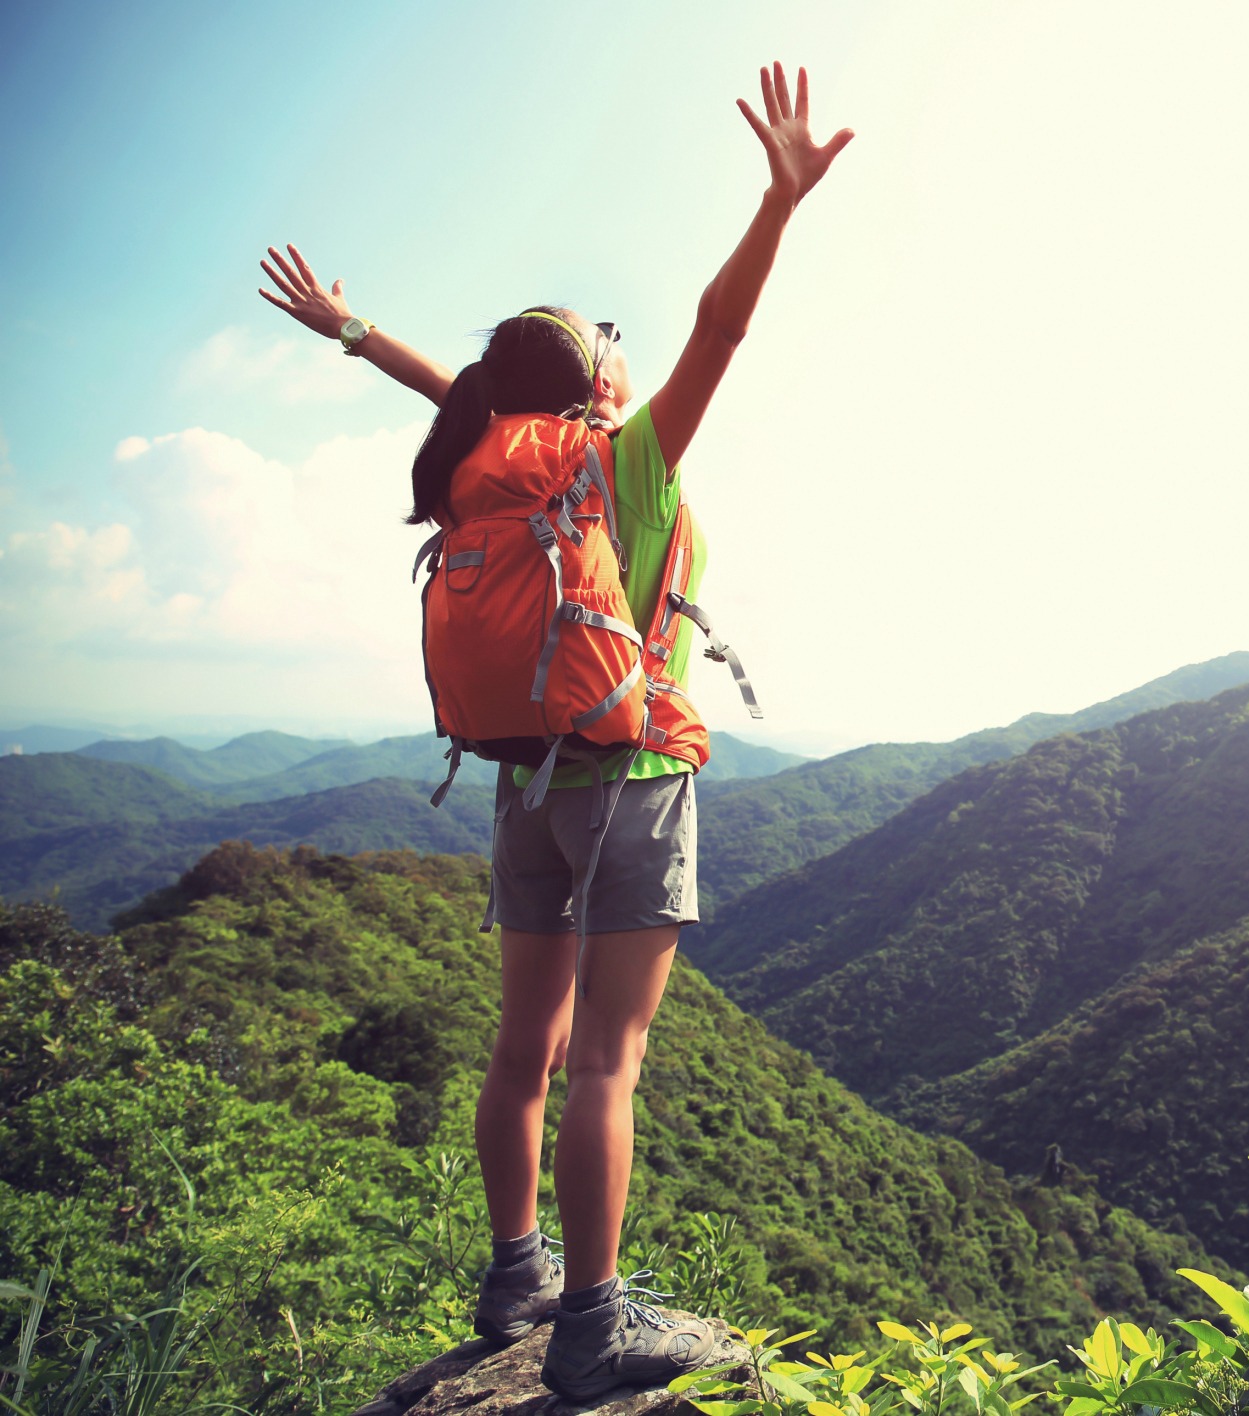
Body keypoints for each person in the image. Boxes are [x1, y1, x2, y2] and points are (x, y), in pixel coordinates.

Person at [258, 61, 851, 1400]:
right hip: (631, 775)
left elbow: (449, 389)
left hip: (516, 776)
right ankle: (593, 1320)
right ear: (593, 380)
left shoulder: (486, 459)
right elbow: (719, 331)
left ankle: (513, 1269)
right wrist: (777, 209)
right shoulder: (618, 462)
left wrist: (354, 336)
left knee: (521, 1047)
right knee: (609, 1060)